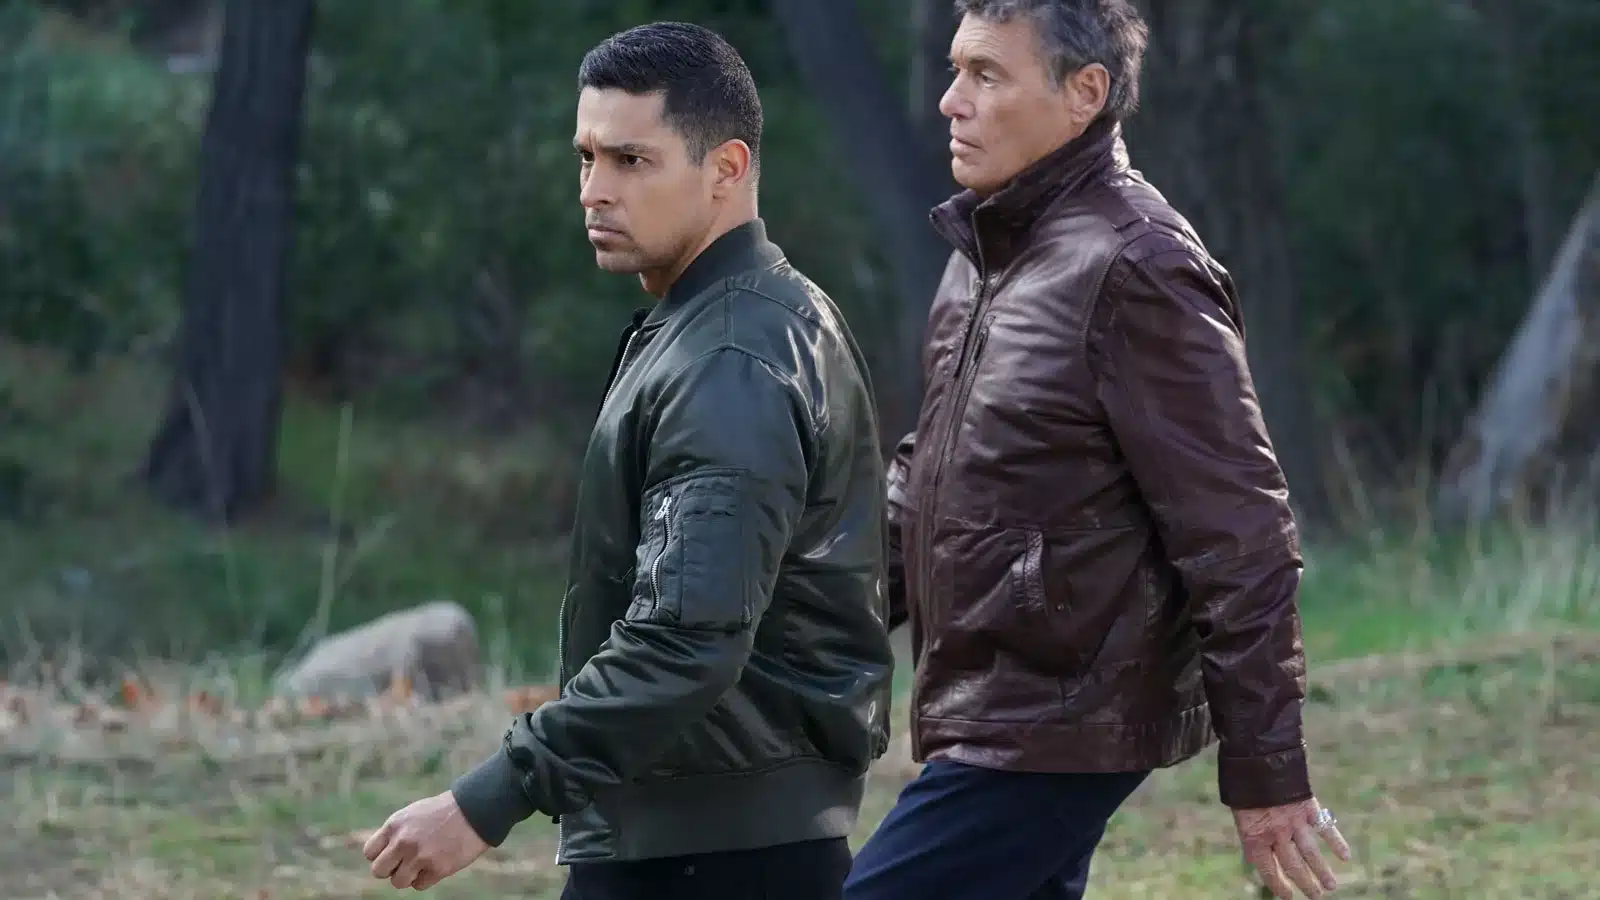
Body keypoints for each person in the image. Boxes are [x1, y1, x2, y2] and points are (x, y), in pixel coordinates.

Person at [359, 21, 896, 899]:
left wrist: (487, 800)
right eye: (586, 158)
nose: (593, 191)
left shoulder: (731, 358)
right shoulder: (734, 321)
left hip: (714, 855)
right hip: (704, 831)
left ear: (725, 169)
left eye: (631, 161)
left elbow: (686, 639)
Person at [843, 3, 1354, 900]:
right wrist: (813, 619)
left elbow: (1241, 533)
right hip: (994, 702)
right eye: (956, 70)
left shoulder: (1139, 266)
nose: (950, 100)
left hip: (1058, 713)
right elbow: (935, 471)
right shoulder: (984, 251)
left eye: (987, 75)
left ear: (1085, 93)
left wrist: (1268, 770)